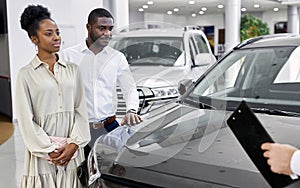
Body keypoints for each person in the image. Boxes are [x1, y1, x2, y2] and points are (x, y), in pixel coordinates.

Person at [17, 5, 90, 187]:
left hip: (72, 149)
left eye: (57, 32)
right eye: (48, 34)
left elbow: (81, 110)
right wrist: (49, 150)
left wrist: (74, 144)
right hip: (43, 153)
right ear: (34, 39)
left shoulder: (73, 70)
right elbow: (26, 119)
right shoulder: (25, 74)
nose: (56, 37)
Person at [60, 8, 142, 157]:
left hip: (110, 127)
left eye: (110, 29)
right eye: (101, 28)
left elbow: (129, 89)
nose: (107, 34)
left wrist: (131, 110)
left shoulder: (117, 58)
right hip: (79, 129)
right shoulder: (68, 56)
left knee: (112, 172)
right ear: (88, 27)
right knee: (80, 174)